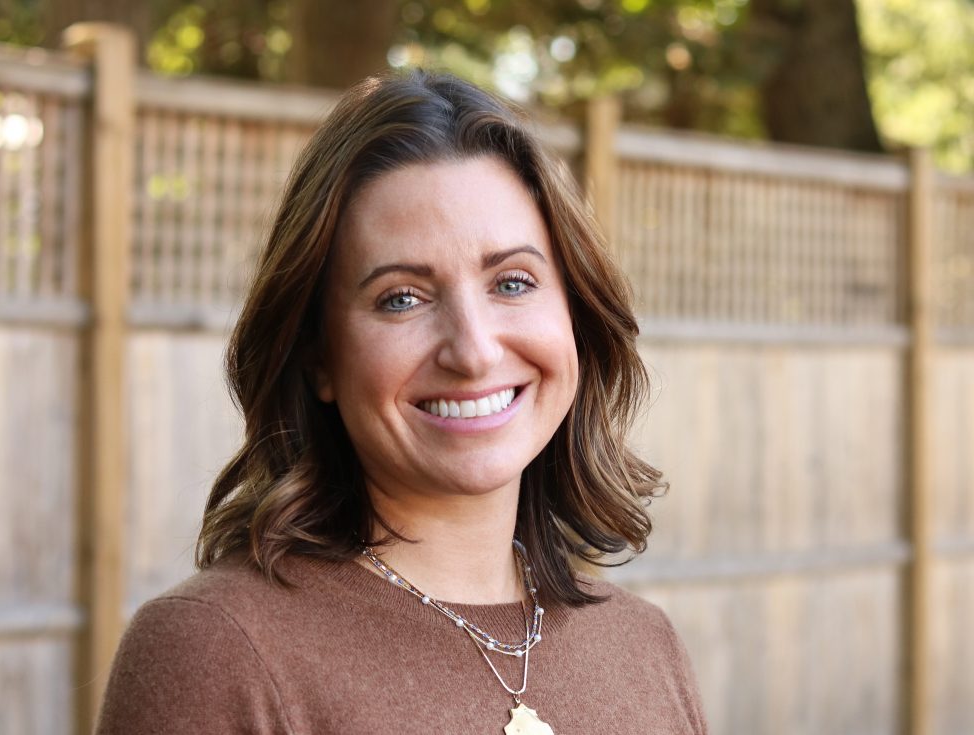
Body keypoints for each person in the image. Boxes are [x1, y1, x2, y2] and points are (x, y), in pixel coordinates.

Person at [95, 70, 708, 735]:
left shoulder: (644, 647)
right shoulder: (217, 654)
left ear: (575, 315)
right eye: (401, 297)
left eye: (512, 282)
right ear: (319, 355)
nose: (472, 350)